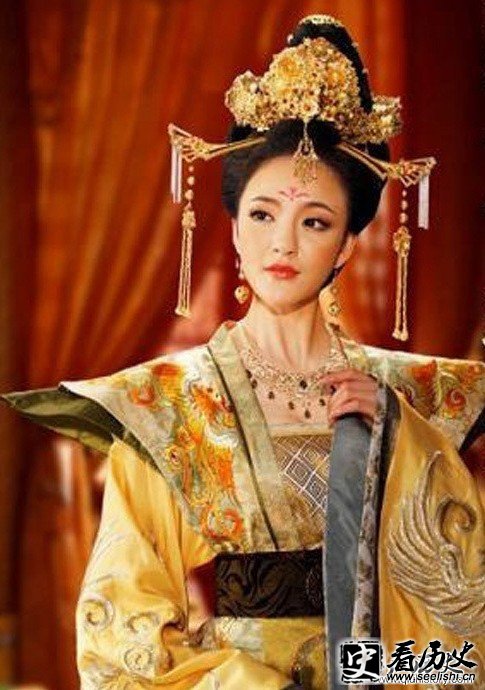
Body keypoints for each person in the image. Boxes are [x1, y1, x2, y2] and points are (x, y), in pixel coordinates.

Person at [2, 14, 484, 690]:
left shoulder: (414, 399)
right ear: (231, 228)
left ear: (346, 245)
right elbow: (121, 635)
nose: (282, 244)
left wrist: (404, 438)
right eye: (262, 214)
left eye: (314, 221)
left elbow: (463, 653)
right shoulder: (166, 404)